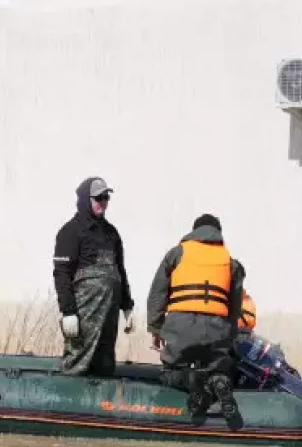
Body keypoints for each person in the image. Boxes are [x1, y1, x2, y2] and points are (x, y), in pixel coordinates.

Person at [146, 214, 246, 429]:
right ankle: (216, 380)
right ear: (218, 234)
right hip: (217, 331)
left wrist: (155, 329)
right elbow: (234, 309)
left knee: (171, 375)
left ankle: (193, 382)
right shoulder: (230, 263)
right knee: (219, 368)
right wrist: (227, 339)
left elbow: (157, 295)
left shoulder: (176, 254)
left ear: (193, 232)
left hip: (180, 331)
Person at [52, 176, 135, 377]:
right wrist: (68, 311)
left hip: (110, 312)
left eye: (106, 197)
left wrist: (127, 306)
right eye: (98, 198)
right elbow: (61, 273)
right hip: (84, 313)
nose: (103, 202)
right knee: (78, 360)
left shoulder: (112, 233)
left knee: (105, 363)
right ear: (85, 200)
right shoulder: (71, 231)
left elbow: (120, 270)